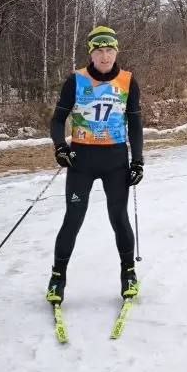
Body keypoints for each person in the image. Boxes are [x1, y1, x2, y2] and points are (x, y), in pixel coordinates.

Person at [46, 25, 144, 304]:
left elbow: (135, 123)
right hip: (82, 161)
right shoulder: (76, 80)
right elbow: (57, 120)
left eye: (109, 50)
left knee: (119, 218)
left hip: (115, 162)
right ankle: (57, 278)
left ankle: (128, 274)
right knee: (73, 219)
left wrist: (137, 161)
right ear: (91, 54)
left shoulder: (127, 81)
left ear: (116, 52)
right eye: (99, 51)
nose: (105, 57)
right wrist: (60, 147)